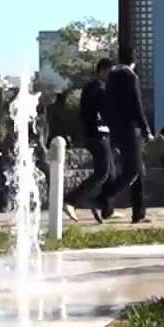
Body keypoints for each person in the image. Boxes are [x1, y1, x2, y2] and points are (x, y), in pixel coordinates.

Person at [97, 47, 153, 224]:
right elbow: (136, 105)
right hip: (130, 129)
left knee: (137, 169)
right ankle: (104, 198)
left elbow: (107, 106)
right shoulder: (130, 76)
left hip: (116, 129)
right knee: (134, 170)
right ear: (134, 61)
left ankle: (139, 211)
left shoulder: (111, 77)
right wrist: (146, 129)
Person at [63, 58, 114, 222]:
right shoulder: (97, 89)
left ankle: (107, 208)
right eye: (110, 72)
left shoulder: (96, 88)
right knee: (102, 173)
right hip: (96, 136)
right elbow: (102, 113)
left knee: (111, 173)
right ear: (102, 70)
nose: (112, 76)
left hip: (100, 134)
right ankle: (70, 201)